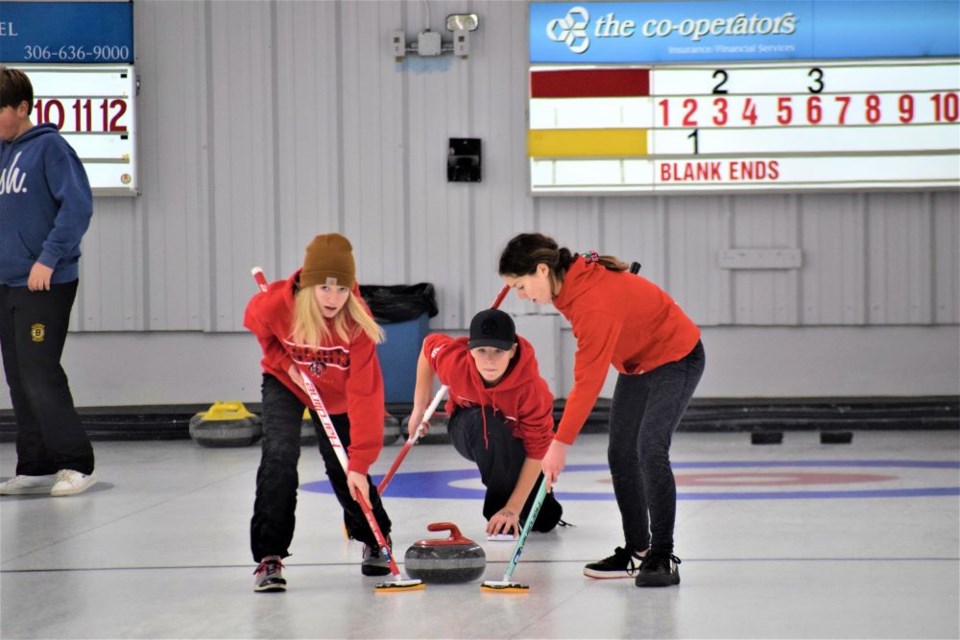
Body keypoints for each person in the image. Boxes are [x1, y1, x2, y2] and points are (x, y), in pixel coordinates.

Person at [498, 233, 705, 588]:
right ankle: (638, 550)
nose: (521, 296)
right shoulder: (568, 286)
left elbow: (588, 380)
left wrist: (559, 444)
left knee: (650, 448)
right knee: (621, 454)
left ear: (542, 270)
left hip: (676, 357)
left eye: (520, 286)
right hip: (637, 363)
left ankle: (661, 555)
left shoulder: (593, 302)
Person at [243, 233, 394, 592]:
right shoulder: (275, 305)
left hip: (338, 395)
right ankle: (270, 556)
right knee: (279, 454)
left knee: (343, 466)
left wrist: (360, 462)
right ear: (308, 285)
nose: (333, 298)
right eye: (325, 288)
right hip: (287, 381)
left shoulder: (357, 322)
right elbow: (259, 328)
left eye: (342, 289)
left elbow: (366, 395)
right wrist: (284, 362)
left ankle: (374, 537)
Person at [0, 67, 97, 497]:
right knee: (18, 374)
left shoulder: (51, 149)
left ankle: (75, 463)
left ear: (22, 108)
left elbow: (76, 208)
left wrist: (48, 259)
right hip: (7, 283)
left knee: (40, 371)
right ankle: (35, 464)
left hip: (45, 282)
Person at [408, 308, 563, 537]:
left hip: (515, 443)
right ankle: (498, 520)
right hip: (468, 427)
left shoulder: (532, 391)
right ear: (470, 349)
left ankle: (536, 510)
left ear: (512, 351)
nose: (489, 360)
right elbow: (428, 347)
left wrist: (514, 508)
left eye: (498, 351)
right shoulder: (456, 362)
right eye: (481, 350)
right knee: (488, 427)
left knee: (543, 519)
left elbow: (537, 452)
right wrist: (419, 408)